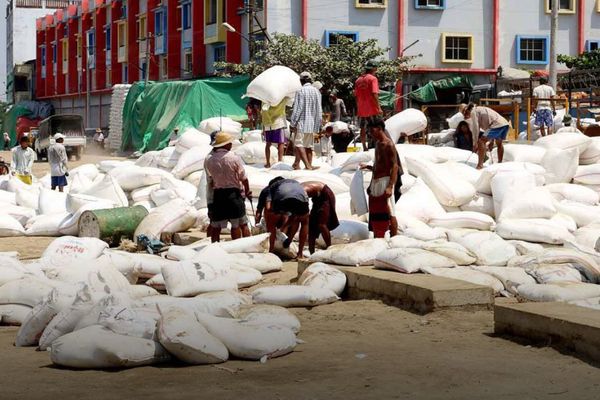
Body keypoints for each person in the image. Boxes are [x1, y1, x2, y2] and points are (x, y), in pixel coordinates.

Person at [204, 132, 252, 243]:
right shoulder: (234, 158)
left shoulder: (209, 160)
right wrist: (247, 191)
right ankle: (240, 246)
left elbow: (211, 180)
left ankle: (214, 247)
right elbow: (243, 178)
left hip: (218, 196)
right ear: (225, 145)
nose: (231, 144)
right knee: (238, 224)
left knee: (216, 226)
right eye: (229, 143)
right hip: (233, 195)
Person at [360, 117, 399, 238]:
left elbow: (395, 166)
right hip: (376, 182)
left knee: (389, 211)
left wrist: (390, 186)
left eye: (372, 131)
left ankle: (394, 238)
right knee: (377, 211)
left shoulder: (389, 145)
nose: (370, 134)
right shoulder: (377, 144)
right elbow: (378, 165)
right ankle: (378, 236)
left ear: (379, 129)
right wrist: (371, 181)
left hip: (385, 181)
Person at [262, 178, 310, 259]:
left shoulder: (272, 187)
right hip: (301, 198)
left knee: (271, 224)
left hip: (282, 197)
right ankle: (300, 253)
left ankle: (271, 251)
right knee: (304, 222)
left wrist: (273, 214)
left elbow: (268, 206)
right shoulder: (296, 183)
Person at [460, 103, 510, 170]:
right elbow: (489, 121)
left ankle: (480, 166)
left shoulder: (473, 112)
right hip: (504, 124)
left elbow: (476, 128)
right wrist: (491, 141)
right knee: (499, 143)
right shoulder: (479, 109)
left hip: (495, 125)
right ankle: (500, 163)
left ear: (466, 111)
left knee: (481, 141)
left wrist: (475, 143)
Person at [291, 71, 322, 170]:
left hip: (302, 122)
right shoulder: (316, 91)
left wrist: (293, 123)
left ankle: (307, 166)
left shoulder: (300, 91)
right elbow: (319, 109)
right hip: (311, 123)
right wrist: (318, 123)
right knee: (308, 145)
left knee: (299, 144)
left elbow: (298, 108)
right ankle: (307, 164)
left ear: (301, 81)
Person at [302, 181, 339, 254]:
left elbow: (305, 211)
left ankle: (329, 248)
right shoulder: (292, 194)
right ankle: (311, 252)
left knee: (322, 224)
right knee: (311, 225)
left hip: (324, 194)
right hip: (316, 197)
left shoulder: (302, 193)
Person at [355, 60, 383, 151]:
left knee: (362, 128)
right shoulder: (373, 79)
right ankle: (376, 145)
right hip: (372, 109)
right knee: (377, 127)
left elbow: (356, 96)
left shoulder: (358, 80)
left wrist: (359, 107)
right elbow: (374, 94)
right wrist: (379, 108)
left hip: (361, 109)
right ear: (374, 68)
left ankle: (364, 147)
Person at [262, 99, 287, 168]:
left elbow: (263, 112)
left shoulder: (264, 98)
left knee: (268, 144)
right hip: (278, 122)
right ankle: (280, 162)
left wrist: (263, 126)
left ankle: (268, 163)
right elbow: (286, 101)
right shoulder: (281, 97)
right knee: (281, 143)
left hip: (268, 124)